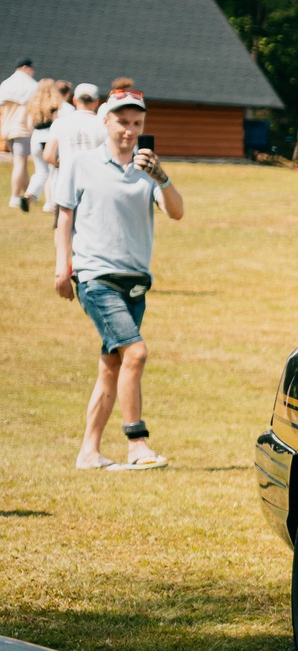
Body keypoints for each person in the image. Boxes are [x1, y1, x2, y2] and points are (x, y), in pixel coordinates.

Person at [51, 90, 185, 470]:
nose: (130, 130)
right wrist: (63, 268)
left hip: (136, 282)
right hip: (96, 277)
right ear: (106, 121)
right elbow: (64, 220)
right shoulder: (81, 163)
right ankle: (137, 444)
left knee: (112, 365)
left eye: (136, 123)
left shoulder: (148, 168)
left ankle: (89, 452)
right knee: (136, 353)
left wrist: (162, 177)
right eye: (123, 122)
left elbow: (177, 212)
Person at [25, 79, 69, 207]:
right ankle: (51, 202)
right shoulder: (55, 105)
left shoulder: (33, 104)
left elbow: (29, 126)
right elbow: (57, 124)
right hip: (49, 138)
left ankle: (29, 194)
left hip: (36, 138)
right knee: (54, 171)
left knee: (40, 171)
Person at [1, 56, 37, 211]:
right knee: (20, 163)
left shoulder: (6, 84)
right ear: (25, 68)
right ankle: (15, 197)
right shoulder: (31, 85)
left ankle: (28, 194)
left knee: (20, 163)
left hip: (7, 128)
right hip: (22, 129)